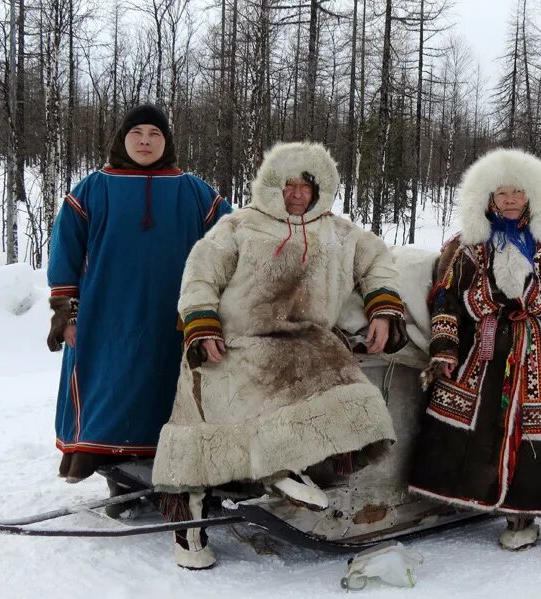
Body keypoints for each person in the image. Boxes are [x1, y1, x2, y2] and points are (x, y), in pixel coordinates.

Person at [151, 141, 408, 570]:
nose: (295, 194)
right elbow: (200, 273)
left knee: (357, 399)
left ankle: (287, 467)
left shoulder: (341, 233)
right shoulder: (239, 227)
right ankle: (194, 524)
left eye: (305, 187)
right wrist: (201, 323)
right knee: (207, 423)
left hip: (308, 341)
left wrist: (383, 306)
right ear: (271, 186)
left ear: (320, 189)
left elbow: (378, 262)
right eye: (287, 185)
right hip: (236, 340)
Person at [408, 148, 541, 563]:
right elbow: (445, 300)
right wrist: (445, 348)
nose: (511, 200)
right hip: (486, 351)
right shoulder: (466, 246)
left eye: (519, 192)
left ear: (533, 196)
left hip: (539, 352)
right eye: (502, 193)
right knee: (490, 428)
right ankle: (518, 516)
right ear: (488, 198)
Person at [46, 104, 231, 491]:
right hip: (106, 316)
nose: (145, 141)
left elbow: (232, 236)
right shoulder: (93, 189)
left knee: (167, 391)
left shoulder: (192, 190)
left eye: (154, 134)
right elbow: (65, 251)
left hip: (174, 314)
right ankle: (121, 482)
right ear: (122, 139)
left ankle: (170, 477)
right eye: (137, 134)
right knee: (111, 392)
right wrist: (68, 313)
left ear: (166, 142)